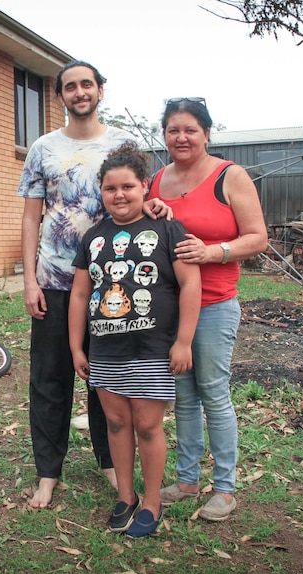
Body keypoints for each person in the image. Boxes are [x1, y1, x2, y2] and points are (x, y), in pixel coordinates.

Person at [17, 61, 170, 509]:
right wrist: (30, 280)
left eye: (87, 84)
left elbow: (143, 194)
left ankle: (110, 462)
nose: (79, 92)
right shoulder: (43, 148)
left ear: (100, 90)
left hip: (112, 287)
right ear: (60, 95)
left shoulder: (123, 143)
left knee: (108, 378)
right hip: (54, 281)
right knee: (49, 378)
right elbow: (30, 217)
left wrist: (157, 204)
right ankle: (48, 472)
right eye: (70, 86)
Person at [69, 142, 201, 537]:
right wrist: (77, 346)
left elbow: (189, 282)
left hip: (151, 349)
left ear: (145, 186)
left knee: (147, 425)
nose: (119, 195)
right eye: (110, 189)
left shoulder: (165, 227)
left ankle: (152, 500)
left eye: (127, 186)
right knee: (115, 422)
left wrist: (184, 341)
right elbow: (79, 294)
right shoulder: (93, 236)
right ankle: (125, 496)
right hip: (106, 349)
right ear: (102, 193)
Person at [148, 97, 268, 521]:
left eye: (190, 130)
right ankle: (185, 480)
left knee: (213, 393)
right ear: (164, 135)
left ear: (207, 133)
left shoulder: (229, 176)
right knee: (181, 396)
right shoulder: (156, 180)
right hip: (170, 307)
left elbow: (258, 238)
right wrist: (153, 212)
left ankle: (225, 488)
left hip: (216, 304)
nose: (181, 137)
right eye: (173, 130)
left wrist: (213, 251)